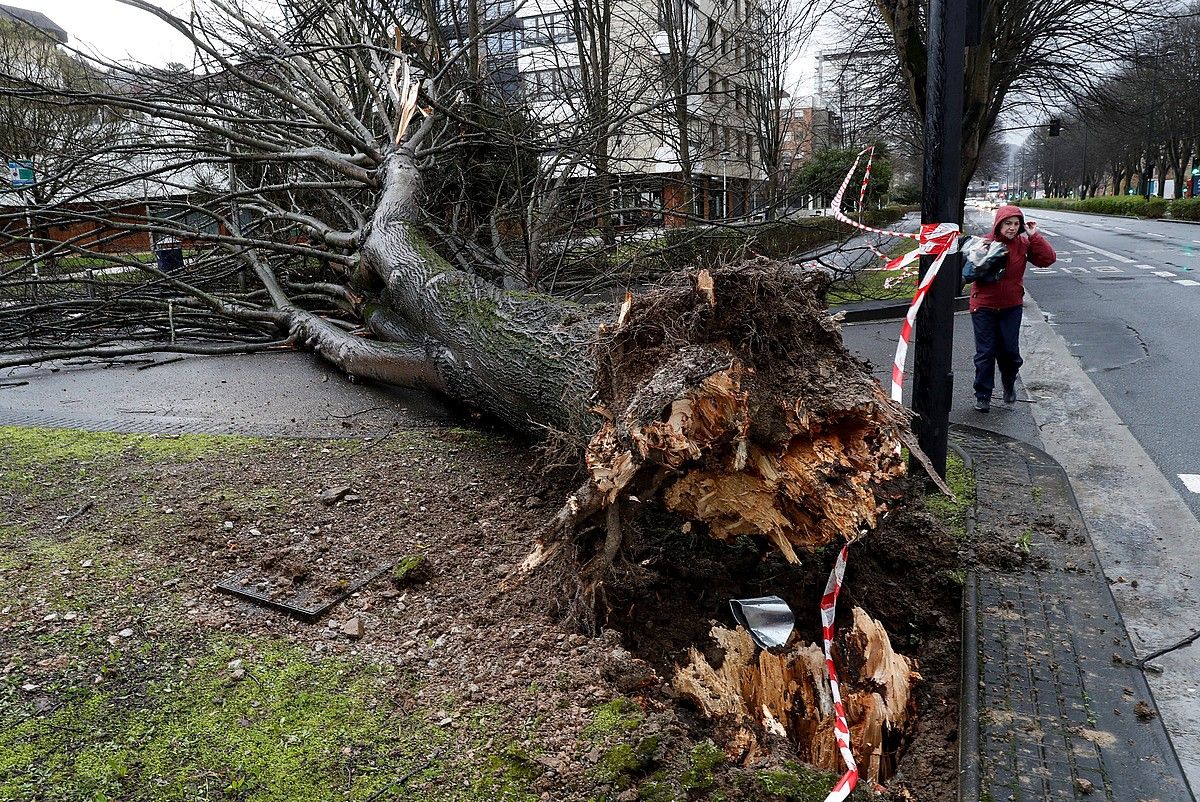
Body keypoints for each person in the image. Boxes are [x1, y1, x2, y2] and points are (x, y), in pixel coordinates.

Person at [970, 204, 1056, 412]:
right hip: (984, 306)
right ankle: (983, 395)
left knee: (1009, 351)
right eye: (1008, 223)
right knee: (985, 353)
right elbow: (969, 270)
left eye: (1016, 224)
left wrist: (1034, 236)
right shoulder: (985, 243)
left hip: (1011, 307)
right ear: (999, 223)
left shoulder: (1023, 244)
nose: (1011, 228)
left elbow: (1048, 259)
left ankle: (1008, 383)